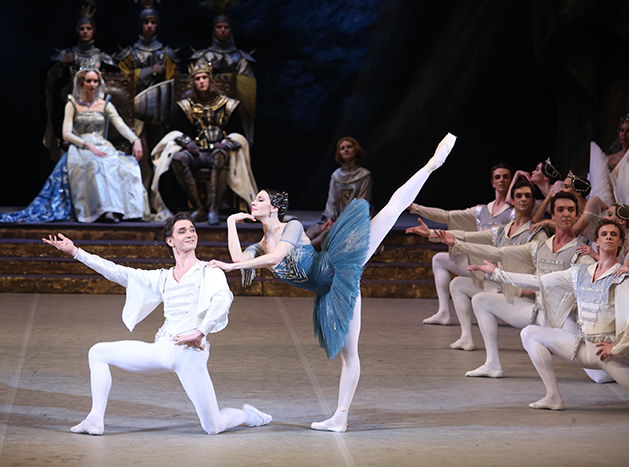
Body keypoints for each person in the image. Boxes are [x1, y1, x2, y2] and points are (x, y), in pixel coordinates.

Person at [208, 133, 456, 432]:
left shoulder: (293, 227)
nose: (253, 202)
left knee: (391, 211)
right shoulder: (260, 245)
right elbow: (238, 259)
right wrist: (230, 223)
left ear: (273, 207)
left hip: (338, 264)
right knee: (348, 354)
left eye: (259, 199)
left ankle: (432, 163)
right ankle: (341, 417)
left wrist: (231, 268)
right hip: (330, 292)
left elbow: (278, 257)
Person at [41, 213, 272, 435]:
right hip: (162, 348)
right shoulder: (162, 276)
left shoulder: (209, 271)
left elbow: (223, 299)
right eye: (182, 231)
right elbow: (119, 273)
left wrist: (201, 332)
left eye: (192, 230)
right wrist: (75, 252)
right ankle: (94, 420)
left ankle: (251, 416)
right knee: (98, 352)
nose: (190, 234)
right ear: (170, 240)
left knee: (213, 427)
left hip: (189, 354)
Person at [471, 219, 629, 410]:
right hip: (585, 347)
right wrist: (496, 273)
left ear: (621, 242)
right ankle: (553, 397)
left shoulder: (621, 277)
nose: (609, 237)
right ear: (596, 240)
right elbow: (538, 281)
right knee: (530, 333)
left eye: (614, 234)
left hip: (611, 355)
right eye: (604, 234)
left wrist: (616, 350)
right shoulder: (580, 272)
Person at [439, 192, 596, 378]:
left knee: (600, 376)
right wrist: (458, 244)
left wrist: (599, 257)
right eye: (560, 210)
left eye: (571, 210)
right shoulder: (539, 247)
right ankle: (492, 364)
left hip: (563, 319)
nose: (566, 214)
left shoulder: (581, 253)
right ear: (552, 216)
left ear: (577, 216)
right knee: (481, 300)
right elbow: (497, 252)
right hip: (537, 313)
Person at [407, 180, 548, 350]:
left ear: (534, 201)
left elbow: (544, 269)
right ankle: (466, 338)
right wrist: (430, 233)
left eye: (528, 196)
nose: (523, 199)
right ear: (513, 200)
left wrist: (531, 291)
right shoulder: (502, 230)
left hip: (524, 296)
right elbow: (466, 236)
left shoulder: (537, 233)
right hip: (504, 289)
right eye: (519, 196)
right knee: (457, 284)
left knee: (480, 299)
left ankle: (494, 361)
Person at [151, 58, 257, 224]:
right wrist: (188, 143)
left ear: (210, 79)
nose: (201, 82)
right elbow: (174, 130)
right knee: (179, 159)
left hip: (219, 151)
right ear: (194, 82)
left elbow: (239, 133)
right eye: (197, 79)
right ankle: (198, 207)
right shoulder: (187, 105)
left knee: (219, 155)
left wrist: (226, 143)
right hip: (198, 152)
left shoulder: (227, 105)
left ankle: (214, 208)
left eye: (204, 78)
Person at [408, 163, 514, 325]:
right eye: (497, 177)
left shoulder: (514, 212)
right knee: (439, 259)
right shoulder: (482, 210)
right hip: (479, 262)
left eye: (506, 177)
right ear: (492, 183)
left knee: (457, 272)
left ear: (511, 181)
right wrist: (414, 207)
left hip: (497, 267)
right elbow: (447, 216)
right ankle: (443, 312)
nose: (501, 180)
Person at [63, 63, 148, 223]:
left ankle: (128, 212)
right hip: (81, 146)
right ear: (81, 83)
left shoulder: (104, 105)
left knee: (124, 166)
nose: (92, 85)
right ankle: (104, 210)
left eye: (95, 81)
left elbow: (120, 124)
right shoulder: (72, 104)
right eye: (88, 81)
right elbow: (66, 133)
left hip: (102, 145)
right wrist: (87, 145)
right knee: (96, 165)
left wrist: (135, 139)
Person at [115, 0, 179, 190]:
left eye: (152, 22)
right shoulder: (130, 54)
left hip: (159, 115)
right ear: (140, 25)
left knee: (159, 153)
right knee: (139, 154)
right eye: (146, 22)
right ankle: (141, 194)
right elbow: (122, 81)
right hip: (136, 113)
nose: (149, 25)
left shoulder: (166, 54)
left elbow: (172, 85)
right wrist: (149, 70)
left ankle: (157, 194)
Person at [43, 0, 116, 161]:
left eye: (88, 28)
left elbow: (115, 84)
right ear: (77, 31)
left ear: (94, 32)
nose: (85, 32)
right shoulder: (67, 55)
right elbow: (50, 80)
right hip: (69, 107)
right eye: (82, 29)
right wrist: (62, 63)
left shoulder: (102, 58)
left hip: (94, 112)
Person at [190, 14, 256, 144]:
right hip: (207, 112)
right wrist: (210, 70)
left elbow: (248, 86)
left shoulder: (240, 58)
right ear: (214, 30)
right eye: (219, 27)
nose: (223, 30)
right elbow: (196, 83)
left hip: (233, 111)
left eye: (226, 27)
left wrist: (229, 77)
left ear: (230, 30)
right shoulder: (204, 56)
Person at [306, 137, 372, 250]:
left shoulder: (364, 175)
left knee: (326, 234)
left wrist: (340, 221)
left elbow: (362, 202)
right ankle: (294, 251)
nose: (346, 150)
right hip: (336, 220)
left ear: (356, 150)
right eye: (342, 148)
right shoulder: (336, 176)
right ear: (339, 153)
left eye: (349, 147)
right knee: (313, 230)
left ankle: (300, 253)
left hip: (354, 220)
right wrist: (329, 219)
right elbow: (331, 201)